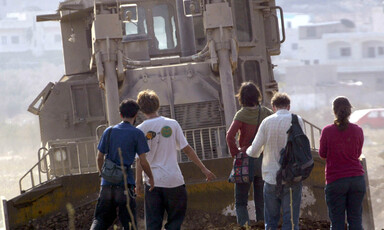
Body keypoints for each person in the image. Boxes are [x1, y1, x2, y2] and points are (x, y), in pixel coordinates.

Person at [135, 89, 217, 230]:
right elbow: (187, 149)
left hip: (152, 183)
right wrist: (204, 169)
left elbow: (139, 161)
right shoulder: (172, 124)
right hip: (174, 181)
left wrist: (138, 184)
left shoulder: (140, 129)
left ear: (141, 109)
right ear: (157, 105)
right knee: (175, 222)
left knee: (153, 224)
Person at [90, 99, 154, 230]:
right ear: (136, 115)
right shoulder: (137, 134)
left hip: (107, 185)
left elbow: (99, 157)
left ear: (120, 115)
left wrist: (102, 175)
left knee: (100, 219)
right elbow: (143, 161)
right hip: (125, 185)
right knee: (129, 223)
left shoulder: (109, 131)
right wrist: (151, 178)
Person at [246, 92, 304, 230]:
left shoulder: (266, 122)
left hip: (271, 178)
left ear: (273, 107)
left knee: (271, 222)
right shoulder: (297, 120)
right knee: (290, 222)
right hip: (292, 178)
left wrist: (246, 150)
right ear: (288, 107)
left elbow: (253, 151)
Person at [226, 82, 273, 227]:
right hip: (262, 160)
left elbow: (230, 136)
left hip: (245, 161)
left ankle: (245, 226)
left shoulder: (241, 114)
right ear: (257, 96)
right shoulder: (266, 112)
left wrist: (236, 153)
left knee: (241, 201)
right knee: (261, 199)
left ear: (242, 98)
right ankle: (262, 225)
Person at [319, 96, 365, 230]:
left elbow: (322, 154)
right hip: (357, 180)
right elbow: (357, 154)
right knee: (356, 220)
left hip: (336, 180)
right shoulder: (358, 130)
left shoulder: (327, 131)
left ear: (334, 111)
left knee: (337, 222)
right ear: (349, 111)